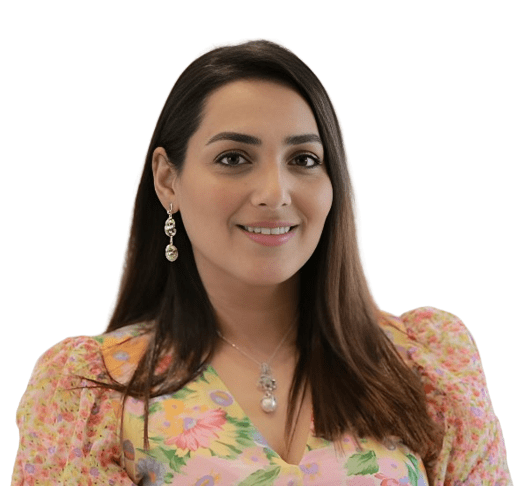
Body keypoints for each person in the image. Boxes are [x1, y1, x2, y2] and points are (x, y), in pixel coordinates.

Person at [12, 40, 511, 485]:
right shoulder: (92, 392)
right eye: (233, 158)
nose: (275, 193)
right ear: (167, 180)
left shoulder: (426, 365)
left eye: (304, 160)